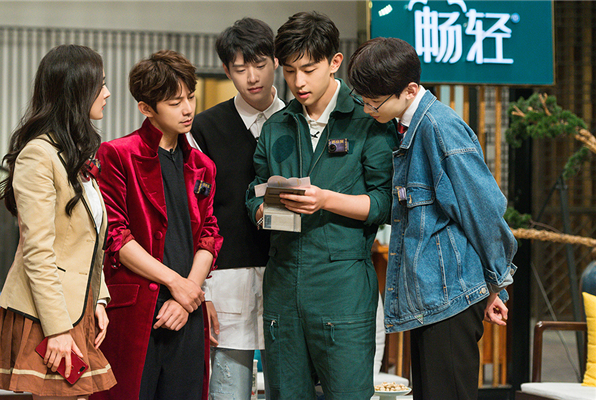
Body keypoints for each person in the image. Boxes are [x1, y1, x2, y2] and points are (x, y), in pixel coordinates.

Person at [347, 37, 517, 400]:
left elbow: (485, 211)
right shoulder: (409, 126)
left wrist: (497, 284)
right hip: (433, 298)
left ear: (410, 90)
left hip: (451, 297)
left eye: (375, 102)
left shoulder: (439, 127)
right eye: (364, 100)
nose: (368, 109)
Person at [245, 11, 396, 400]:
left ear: (334, 62)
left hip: (342, 286)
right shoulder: (277, 126)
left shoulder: (367, 119)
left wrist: (326, 200)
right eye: (290, 71)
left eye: (309, 69)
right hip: (283, 284)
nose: (298, 82)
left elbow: (385, 203)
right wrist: (261, 211)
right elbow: (254, 191)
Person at [93, 50, 222, 400]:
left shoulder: (203, 166)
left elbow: (210, 235)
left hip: (187, 310)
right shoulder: (117, 155)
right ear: (146, 108)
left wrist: (188, 292)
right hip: (138, 311)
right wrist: (176, 284)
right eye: (175, 102)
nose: (188, 109)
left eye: (190, 97)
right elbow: (115, 236)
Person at [0, 44, 116, 399]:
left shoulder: (75, 154)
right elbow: (37, 251)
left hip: (78, 308)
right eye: (100, 84)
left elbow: (88, 241)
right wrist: (58, 329)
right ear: (76, 90)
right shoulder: (39, 154)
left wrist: (99, 300)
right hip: (47, 312)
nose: (107, 93)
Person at [187, 17, 284, 400]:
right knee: (228, 390)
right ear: (226, 71)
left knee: (289, 388)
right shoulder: (204, 129)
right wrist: (203, 291)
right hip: (226, 279)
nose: (252, 77)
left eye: (259, 64)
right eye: (240, 69)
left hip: (287, 276)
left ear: (276, 61)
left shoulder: (297, 122)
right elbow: (196, 214)